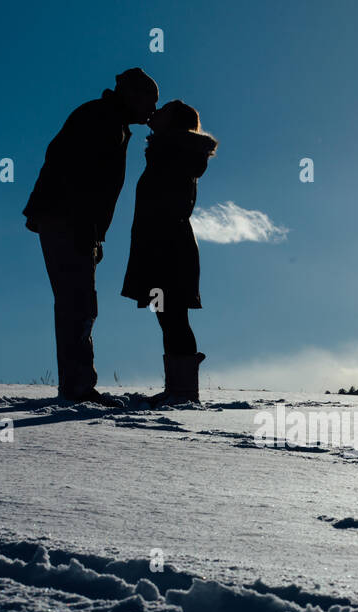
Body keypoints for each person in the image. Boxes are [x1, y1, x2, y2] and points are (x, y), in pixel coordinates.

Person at [24, 68, 159, 405]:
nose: (152, 109)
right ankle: (78, 387)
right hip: (69, 221)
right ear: (132, 94)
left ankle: (77, 384)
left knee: (77, 302)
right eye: (150, 100)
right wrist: (87, 230)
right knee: (78, 303)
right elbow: (79, 177)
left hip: (68, 221)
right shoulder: (103, 120)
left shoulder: (108, 120)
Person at [120, 100, 218, 407]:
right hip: (165, 245)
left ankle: (183, 392)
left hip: (167, 248)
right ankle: (180, 389)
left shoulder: (172, 152)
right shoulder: (171, 151)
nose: (154, 113)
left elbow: (167, 206)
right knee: (169, 315)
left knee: (172, 316)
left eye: (162, 111)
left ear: (174, 122)